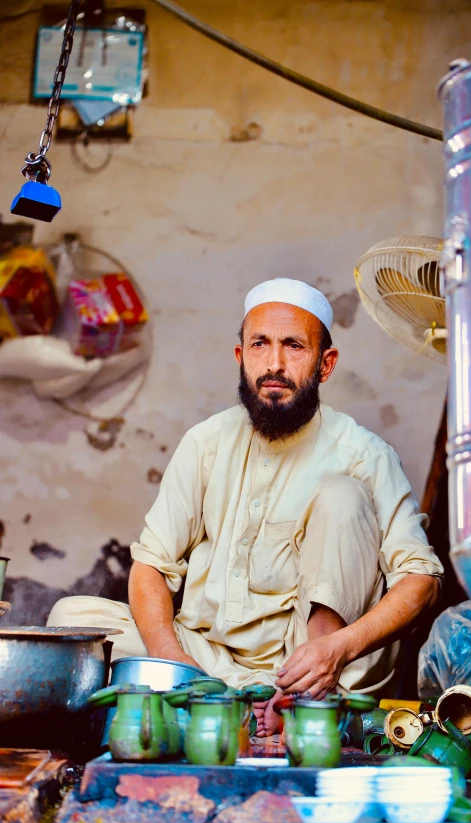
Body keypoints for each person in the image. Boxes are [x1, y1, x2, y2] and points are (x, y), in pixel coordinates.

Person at [48, 278, 443, 736]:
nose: (273, 364)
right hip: (208, 662)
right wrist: (173, 661)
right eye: (260, 344)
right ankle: (218, 698)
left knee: (343, 495)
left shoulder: (364, 453)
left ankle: (306, 700)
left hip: (321, 669)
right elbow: (151, 565)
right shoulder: (205, 443)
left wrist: (336, 650)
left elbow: (421, 579)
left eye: (294, 346)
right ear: (241, 356)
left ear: (325, 363)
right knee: (70, 621)